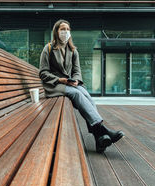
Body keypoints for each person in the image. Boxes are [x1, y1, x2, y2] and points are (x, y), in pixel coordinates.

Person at [39, 19, 124, 153]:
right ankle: (103, 131)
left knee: (86, 96)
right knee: (77, 94)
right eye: (62, 29)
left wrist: (77, 81)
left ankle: (99, 138)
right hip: (54, 85)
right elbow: (43, 73)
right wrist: (60, 80)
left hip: (69, 84)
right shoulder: (48, 48)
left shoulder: (73, 51)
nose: (65, 32)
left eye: (67, 29)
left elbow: (77, 71)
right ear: (56, 31)